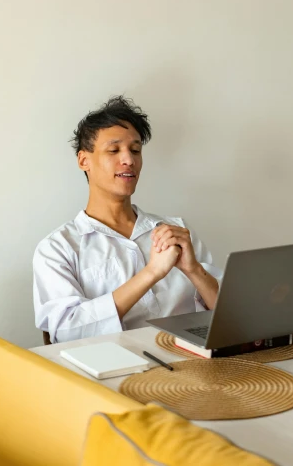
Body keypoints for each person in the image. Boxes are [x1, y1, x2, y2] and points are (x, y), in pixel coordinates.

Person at [33, 96, 221, 344]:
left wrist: (193, 269)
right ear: (83, 160)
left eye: (135, 150)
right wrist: (151, 273)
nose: (129, 160)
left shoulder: (177, 231)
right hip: (110, 373)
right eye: (114, 150)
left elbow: (231, 317)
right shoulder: (57, 248)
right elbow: (66, 331)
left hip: (191, 366)